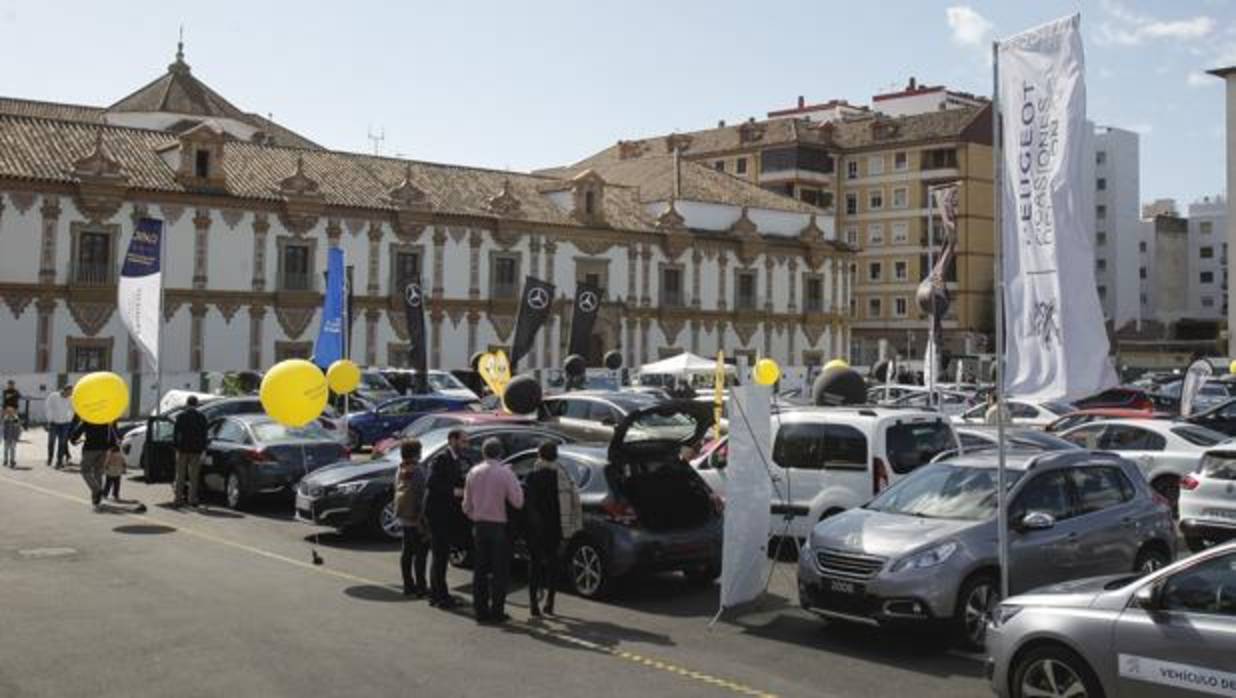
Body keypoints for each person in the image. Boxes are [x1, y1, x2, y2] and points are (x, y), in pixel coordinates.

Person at [462, 437, 523, 624]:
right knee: (500, 571)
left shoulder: (473, 472)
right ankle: (497, 611)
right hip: (498, 525)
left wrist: (476, 516)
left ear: (483, 452)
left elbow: (466, 506)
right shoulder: (505, 474)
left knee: (480, 570)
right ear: (500, 453)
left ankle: (480, 610)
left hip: (479, 525)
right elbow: (518, 502)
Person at [523, 441, 581, 617]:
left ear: (539, 455)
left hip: (536, 528)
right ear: (556, 456)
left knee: (534, 565)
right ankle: (550, 602)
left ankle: (534, 604)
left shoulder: (532, 477)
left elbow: (526, 504)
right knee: (553, 564)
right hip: (556, 527)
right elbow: (572, 502)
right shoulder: (563, 476)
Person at [425, 429, 470, 608]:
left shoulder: (456, 459)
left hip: (447, 513)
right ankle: (440, 596)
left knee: (441, 555)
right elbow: (432, 483)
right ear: (452, 440)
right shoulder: (442, 458)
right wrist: (454, 491)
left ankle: (437, 593)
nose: (465, 445)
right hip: (437, 513)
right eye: (463, 441)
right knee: (439, 555)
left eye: (466, 442)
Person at [393, 438, 430, 597]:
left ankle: (408, 584)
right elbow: (422, 495)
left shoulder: (400, 468)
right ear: (416, 453)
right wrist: (423, 519)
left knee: (407, 551)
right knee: (421, 553)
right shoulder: (418, 470)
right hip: (416, 517)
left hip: (403, 515)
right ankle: (421, 586)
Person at [70, 419, 118, 509]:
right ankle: (96, 500)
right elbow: (113, 432)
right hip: (103, 448)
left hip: (90, 448)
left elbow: (76, 433)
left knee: (85, 470)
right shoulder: (106, 418)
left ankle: (97, 490)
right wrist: (112, 445)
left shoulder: (88, 418)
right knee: (98, 472)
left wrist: (73, 439)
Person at [172, 396, 209, 508]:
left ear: (187, 404)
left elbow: (176, 433)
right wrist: (203, 448)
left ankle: (178, 499)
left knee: (180, 476)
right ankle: (192, 499)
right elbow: (204, 435)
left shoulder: (181, 416)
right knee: (194, 476)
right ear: (197, 404)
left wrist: (176, 447)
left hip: (182, 449)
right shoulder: (202, 417)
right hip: (196, 450)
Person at [45, 386, 74, 468]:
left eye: (71, 392)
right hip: (54, 423)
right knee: (51, 442)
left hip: (65, 423)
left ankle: (59, 461)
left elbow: (72, 409)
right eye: (69, 392)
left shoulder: (71, 399)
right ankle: (50, 458)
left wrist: (69, 419)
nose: (70, 394)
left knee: (62, 443)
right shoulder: (53, 396)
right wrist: (49, 419)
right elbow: (48, 407)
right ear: (64, 390)